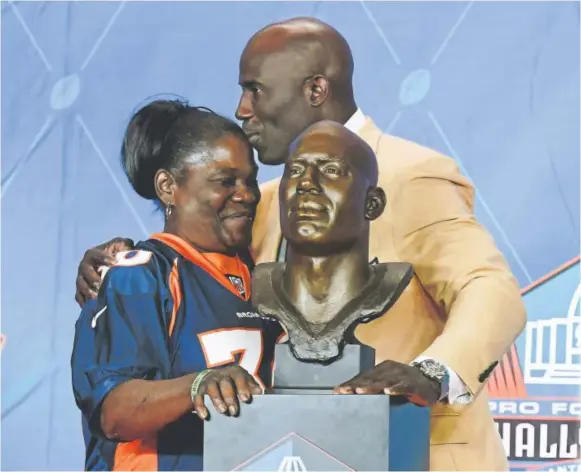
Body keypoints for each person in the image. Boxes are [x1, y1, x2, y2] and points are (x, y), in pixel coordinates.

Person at [75, 18, 526, 471]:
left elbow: (489, 290)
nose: (242, 109)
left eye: (256, 90)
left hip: (414, 452)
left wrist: (431, 373)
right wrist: (117, 258)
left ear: (315, 90)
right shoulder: (265, 200)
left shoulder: (411, 174)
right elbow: (188, 265)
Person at [71, 99, 283, 471]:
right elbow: (115, 412)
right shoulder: (138, 276)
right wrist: (198, 384)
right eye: (226, 181)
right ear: (168, 186)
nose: (247, 193)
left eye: (250, 180)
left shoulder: (260, 273)